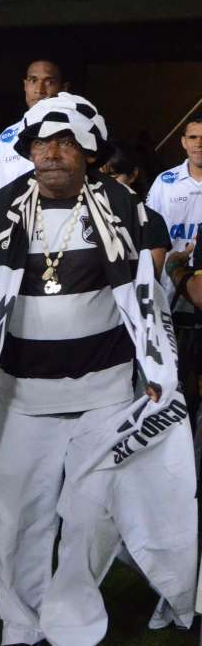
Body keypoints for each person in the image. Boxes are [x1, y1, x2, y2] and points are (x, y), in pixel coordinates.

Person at [0, 93, 196, 646]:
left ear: (88, 151)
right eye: (41, 144)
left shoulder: (121, 207)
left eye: (65, 144)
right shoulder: (4, 208)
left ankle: (74, 636)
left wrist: (157, 369)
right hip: (22, 396)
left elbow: (143, 299)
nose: (52, 155)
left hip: (102, 397)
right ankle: (20, 623)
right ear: (27, 150)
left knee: (88, 521)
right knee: (18, 516)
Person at [146, 114, 202, 435]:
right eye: (193, 137)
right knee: (175, 387)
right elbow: (151, 239)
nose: (199, 144)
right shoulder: (165, 183)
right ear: (183, 142)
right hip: (171, 300)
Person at [0, 60, 67, 196]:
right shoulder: (6, 138)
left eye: (49, 82)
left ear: (63, 88)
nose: (40, 90)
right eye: (33, 80)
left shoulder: (77, 133)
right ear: (25, 85)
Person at [98, 140, 169, 277]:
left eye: (113, 176)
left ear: (133, 175)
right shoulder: (85, 215)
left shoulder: (152, 221)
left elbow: (151, 282)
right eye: (100, 177)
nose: (105, 183)